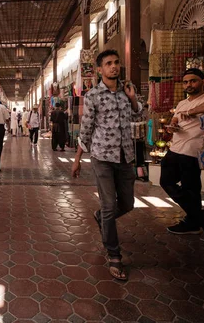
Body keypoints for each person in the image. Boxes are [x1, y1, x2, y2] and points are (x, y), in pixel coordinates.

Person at [72, 49, 141, 281]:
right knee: (110, 205)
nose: (114, 67)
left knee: (128, 204)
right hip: (102, 157)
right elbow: (86, 130)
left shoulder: (127, 91)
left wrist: (132, 98)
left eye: (116, 62)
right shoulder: (92, 96)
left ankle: (101, 216)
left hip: (125, 156)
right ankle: (114, 255)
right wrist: (78, 159)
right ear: (99, 69)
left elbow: (139, 114)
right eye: (108, 63)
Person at [160, 68, 204, 238]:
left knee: (191, 188)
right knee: (166, 182)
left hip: (193, 151)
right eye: (186, 82)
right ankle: (199, 215)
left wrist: (192, 112)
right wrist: (172, 125)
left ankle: (193, 222)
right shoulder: (182, 103)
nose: (189, 84)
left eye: (193, 81)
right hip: (175, 148)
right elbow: (175, 120)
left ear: (203, 81)